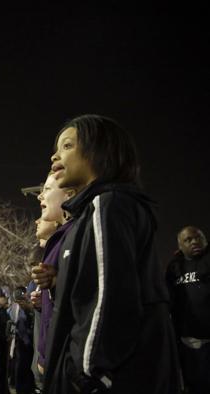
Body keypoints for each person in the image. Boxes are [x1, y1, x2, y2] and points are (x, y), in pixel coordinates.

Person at [43, 114, 181, 393]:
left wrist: (86, 375)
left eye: (67, 146)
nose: (55, 156)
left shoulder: (108, 204)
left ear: (100, 151)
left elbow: (109, 297)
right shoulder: (91, 212)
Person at [30, 172, 75, 375]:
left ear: (69, 195)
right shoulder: (59, 241)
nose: (40, 197)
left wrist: (57, 282)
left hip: (65, 364)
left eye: (47, 190)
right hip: (53, 361)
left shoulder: (73, 235)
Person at [166, 226, 210, 394]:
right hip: (190, 342)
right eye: (188, 240)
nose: (194, 241)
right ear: (180, 245)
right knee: (196, 384)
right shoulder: (175, 267)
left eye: (198, 237)